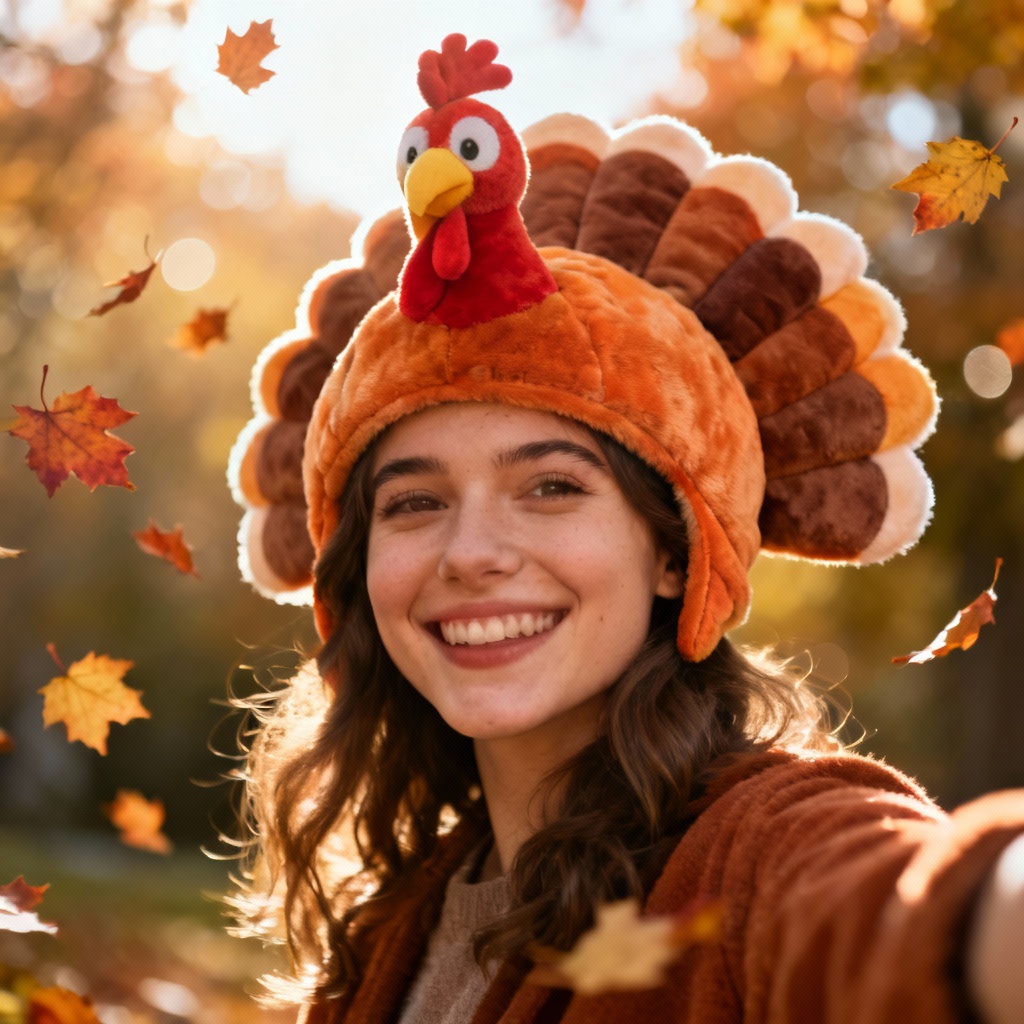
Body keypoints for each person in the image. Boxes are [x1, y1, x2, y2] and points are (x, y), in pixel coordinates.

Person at [227, 33, 1024, 1024]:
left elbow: (903, 915)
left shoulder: (760, 848)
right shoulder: (403, 917)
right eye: (414, 502)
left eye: (552, 487)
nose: (471, 552)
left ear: (670, 551)